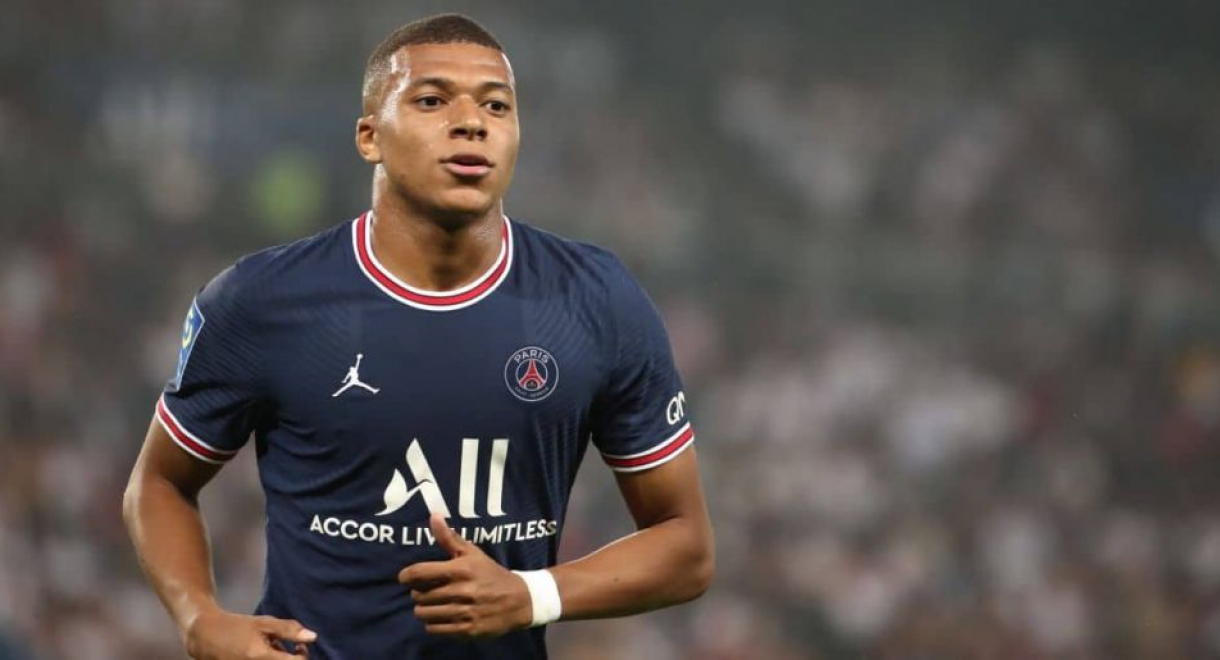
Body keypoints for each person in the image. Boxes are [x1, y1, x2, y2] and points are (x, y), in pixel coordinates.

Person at [122, 13, 714, 660]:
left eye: (496, 105)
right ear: (369, 136)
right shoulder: (261, 300)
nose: (471, 122)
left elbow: (685, 545)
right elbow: (160, 484)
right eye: (432, 100)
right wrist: (198, 617)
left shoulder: (595, 299)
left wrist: (532, 594)